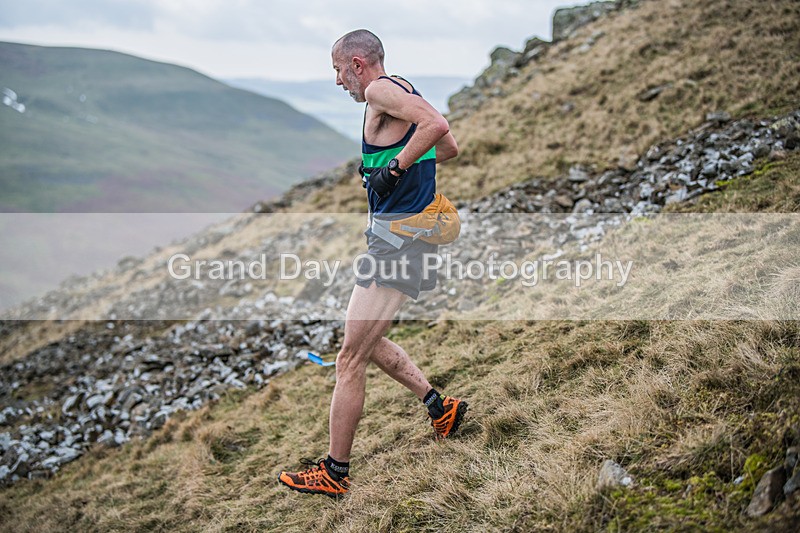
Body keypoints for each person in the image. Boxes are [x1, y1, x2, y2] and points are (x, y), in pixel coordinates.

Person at [278, 29, 468, 498]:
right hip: (402, 238)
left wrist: (395, 170)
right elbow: (446, 149)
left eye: (339, 72)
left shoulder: (381, 89)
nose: (339, 82)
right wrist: (395, 165)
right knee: (365, 339)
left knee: (349, 359)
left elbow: (438, 129)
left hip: (398, 244)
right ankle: (438, 405)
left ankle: (334, 473)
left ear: (358, 64)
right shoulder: (403, 90)